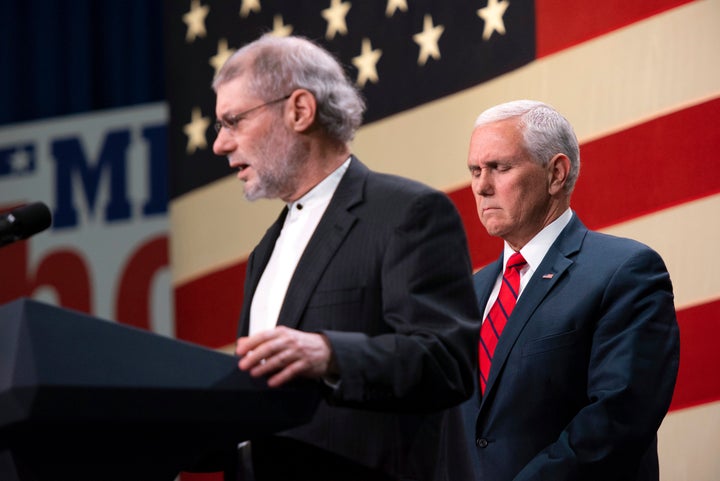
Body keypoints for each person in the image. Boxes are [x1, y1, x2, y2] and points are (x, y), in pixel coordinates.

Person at [211, 34, 481, 481]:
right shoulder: (266, 249)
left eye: (233, 120)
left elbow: (446, 361)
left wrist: (330, 353)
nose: (221, 144)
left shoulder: (406, 213)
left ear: (299, 110)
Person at [462, 99, 680, 480]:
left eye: (500, 167)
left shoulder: (623, 271)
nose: (481, 186)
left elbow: (619, 417)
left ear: (556, 174)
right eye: (475, 170)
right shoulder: (466, 293)